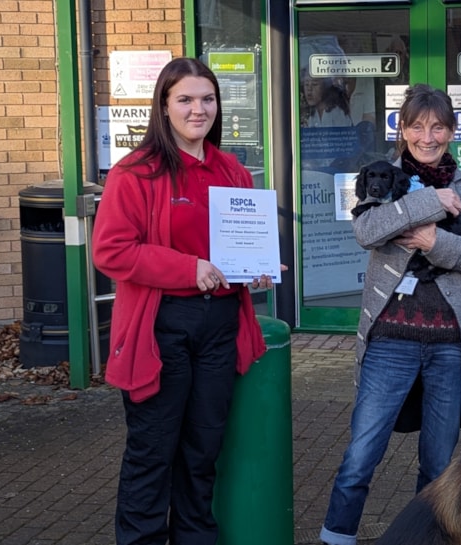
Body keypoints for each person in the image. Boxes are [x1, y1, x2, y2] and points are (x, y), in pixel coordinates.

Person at [92, 57, 282, 545]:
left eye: (207, 99)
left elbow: (237, 249)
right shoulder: (136, 173)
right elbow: (111, 250)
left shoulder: (232, 170)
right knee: (153, 451)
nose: (199, 110)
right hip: (160, 328)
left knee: (202, 450)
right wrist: (187, 268)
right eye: (186, 100)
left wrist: (255, 267)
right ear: (164, 106)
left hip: (219, 325)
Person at [320, 84, 461, 545]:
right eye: (418, 126)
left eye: (438, 126)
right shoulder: (379, 176)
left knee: (439, 465)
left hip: (450, 347)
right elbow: (368, 228)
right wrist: (432, 202)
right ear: (402, 130)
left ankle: (425, 540)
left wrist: (433, 243)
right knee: (362, 454)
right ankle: (335, 537)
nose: (428, 136)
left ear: (451, 130)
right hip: (391, 341)